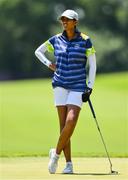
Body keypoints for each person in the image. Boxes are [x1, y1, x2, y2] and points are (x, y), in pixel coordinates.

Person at [35, 9, 96, 174]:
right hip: (60, 84)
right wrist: (49, 64)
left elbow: (92, 64)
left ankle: (55, 154)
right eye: (63, 19)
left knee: (71, 121)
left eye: (68, 19)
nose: (64, 22)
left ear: (75, 22)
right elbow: (38, 52)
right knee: (62, 126)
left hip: (77, 85)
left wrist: (90, 86)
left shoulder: (85, 40)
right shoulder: (56, 39)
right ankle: (68, 164)